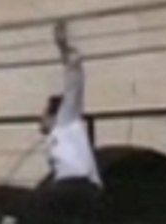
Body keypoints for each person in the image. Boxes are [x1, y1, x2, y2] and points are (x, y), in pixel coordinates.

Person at [33, 20, 103, 224]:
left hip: (79, 184)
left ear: (54, 115)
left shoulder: (67, 119)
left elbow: (74, 84)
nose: (40, 120)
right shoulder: (55, 139)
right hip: (72, 191)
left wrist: (64, 49)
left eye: (44, 114)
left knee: (32, 203)